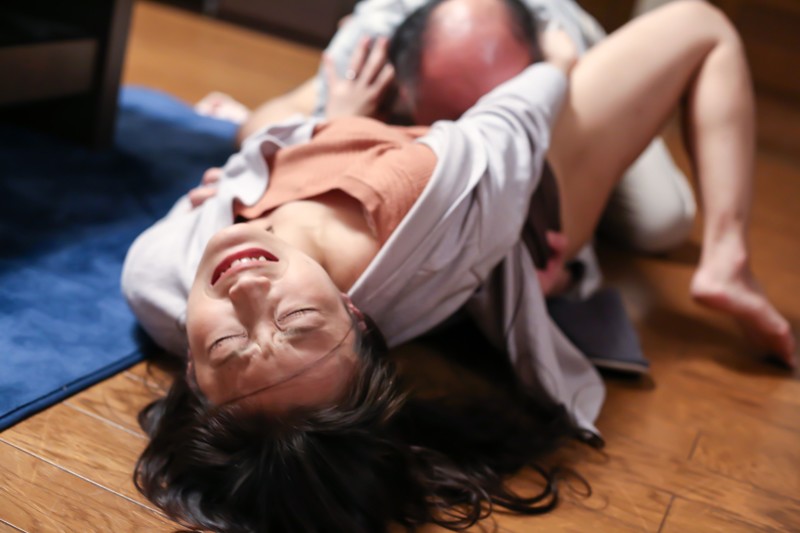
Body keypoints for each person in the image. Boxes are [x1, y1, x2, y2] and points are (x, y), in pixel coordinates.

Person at [122, 1, 797, 531]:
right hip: (515, 87)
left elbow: (245, 163)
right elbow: (517, 111)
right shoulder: (438, 197)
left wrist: (315, 130)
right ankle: (727, 258)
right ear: (357, 315)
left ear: (193, 369)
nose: (245, 288)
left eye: (227, 343)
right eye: (296, 317)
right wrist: (557, 63)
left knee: (258, 125)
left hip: (371, 103)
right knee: (682, 102)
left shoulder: (157, 278)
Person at [203, 0, 698, 255]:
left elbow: (555, 241)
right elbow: (259, 130)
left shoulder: (555, 51)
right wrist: (336, 125)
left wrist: (558, 79)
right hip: (390, 69)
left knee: (662, 222)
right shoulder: (374, 41)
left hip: (572, 56)